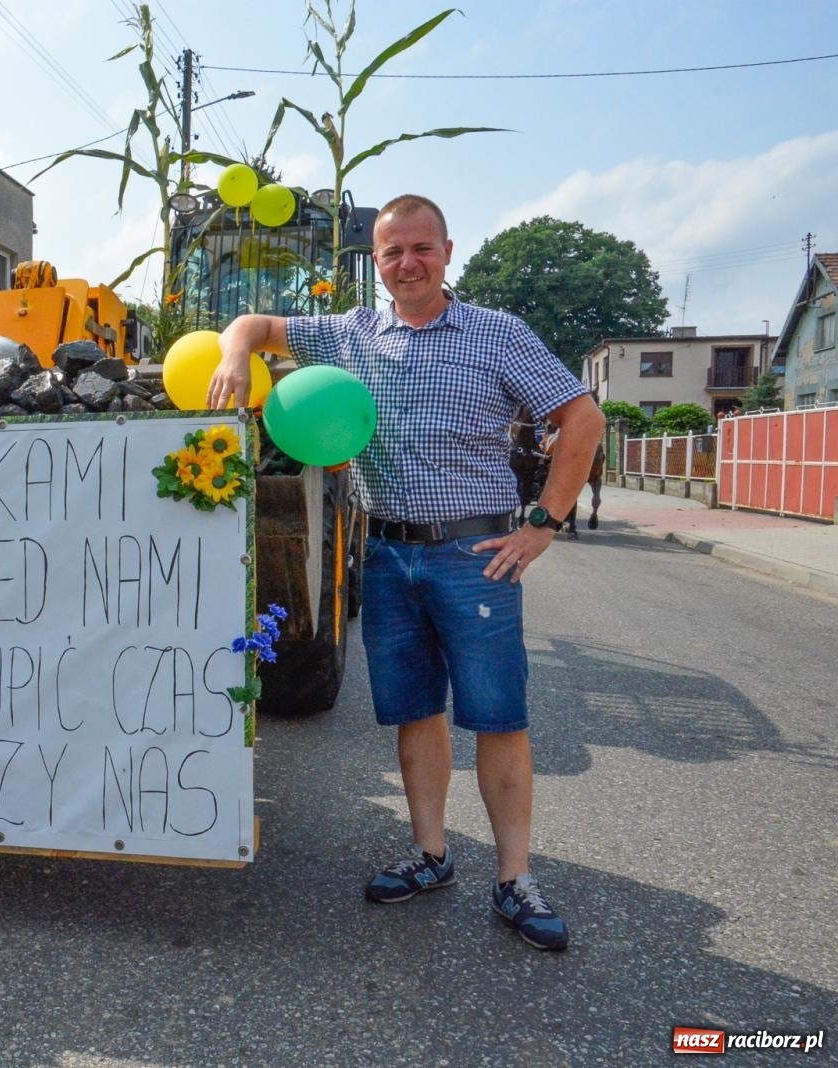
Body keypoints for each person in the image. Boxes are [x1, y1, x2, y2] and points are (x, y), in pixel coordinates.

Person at [208, 194, 604, 951]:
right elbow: (254, 326)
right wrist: (236, 354)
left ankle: (515, 879)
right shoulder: (352, 332)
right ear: (378, 262)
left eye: (421, 249)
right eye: (393, 253)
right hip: (385, 555)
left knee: (497, 717)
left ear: (447, 251)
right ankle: (430, 855)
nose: (407, 264)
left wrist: (543, 525)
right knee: (414, 713)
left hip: (475, 557)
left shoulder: (497, 335)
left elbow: (582, 421)